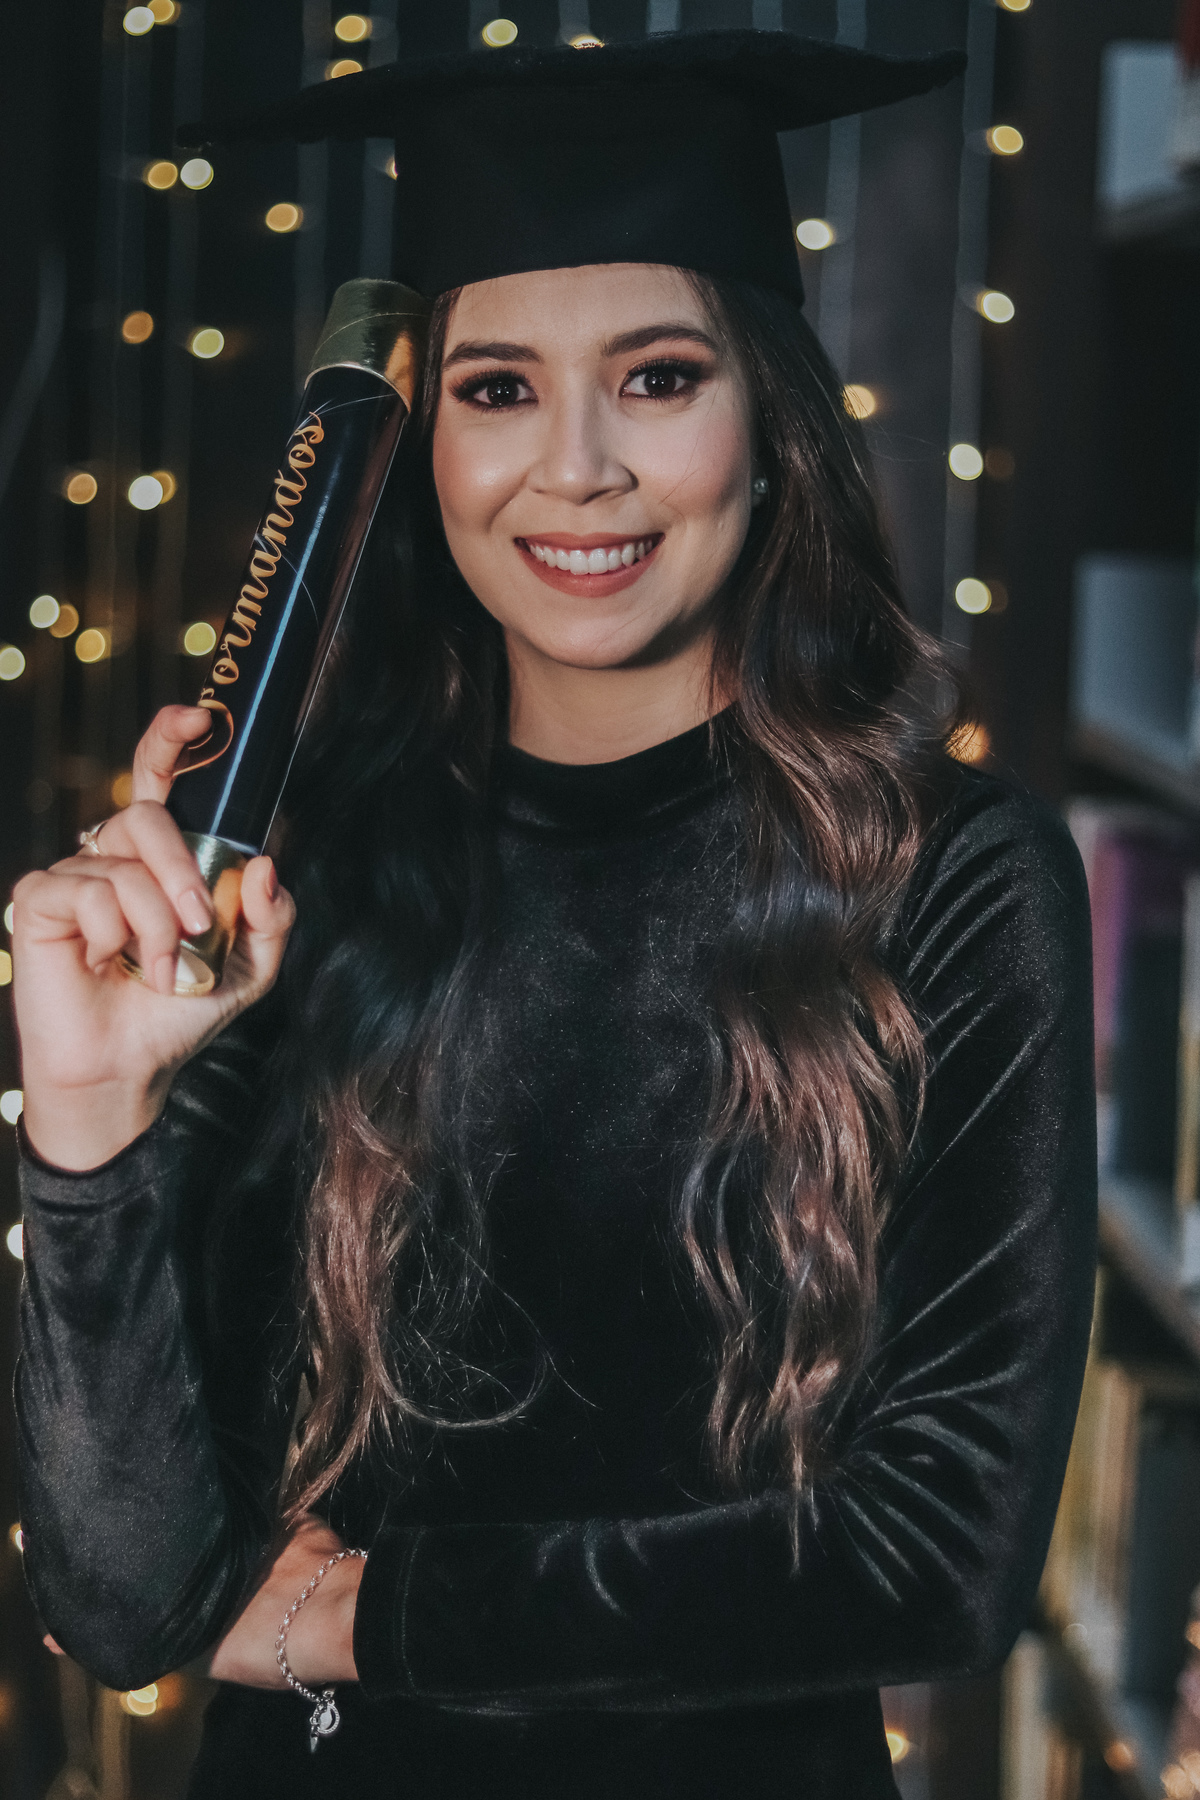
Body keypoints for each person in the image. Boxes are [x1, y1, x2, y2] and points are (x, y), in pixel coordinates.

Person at [11, 29, 1097, 1800]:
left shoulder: (953, 880)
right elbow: (124, 1604)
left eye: (658, 377)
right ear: (422, 441)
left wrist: (358, 1617)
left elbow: (936, 1554)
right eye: (497, 388)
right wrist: (88, 1121)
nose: (575, 468)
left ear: (770, 422)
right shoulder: (280, 874)